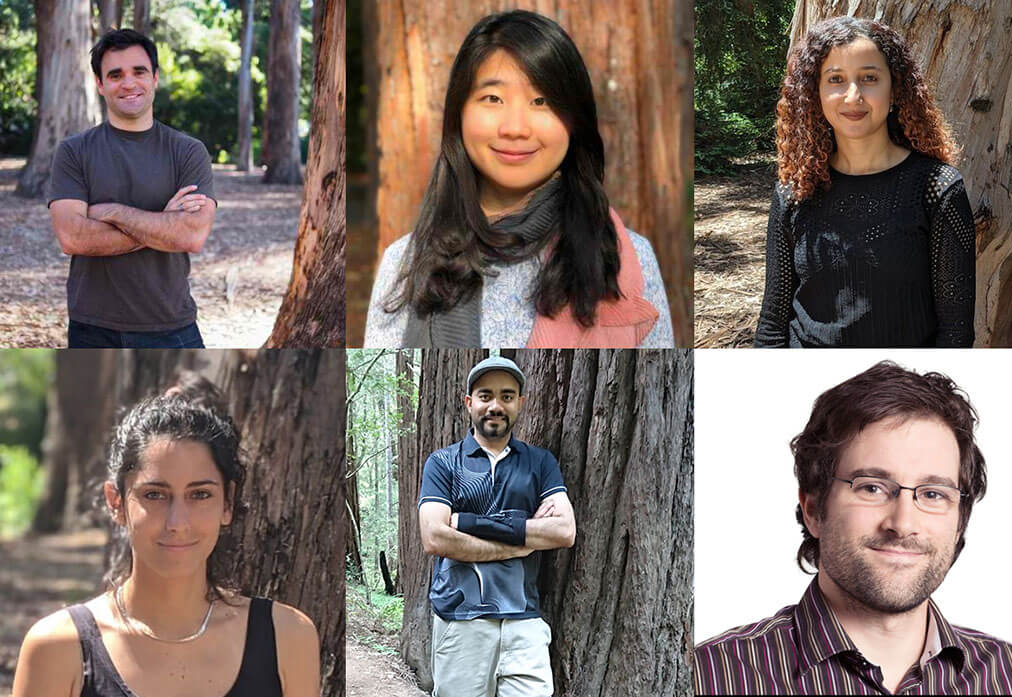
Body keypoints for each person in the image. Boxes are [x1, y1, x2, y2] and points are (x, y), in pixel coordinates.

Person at [693, 361, 1012, 695]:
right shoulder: (708, 677)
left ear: (960, 519)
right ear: (813, 508)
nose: (902, 524)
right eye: (871, 488)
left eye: (933, 494)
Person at [365, 10, 673, 348]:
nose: (514, 128)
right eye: (492, 99)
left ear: (574, 120)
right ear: (460, 114)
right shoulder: (405, 264)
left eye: (541, 101)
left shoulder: (626, 259)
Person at [12, 396, 320, 697]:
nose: (177, 523)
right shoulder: (57, 649)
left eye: (199, 495)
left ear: (228, 503)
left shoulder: (287, 638)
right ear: (116, 503)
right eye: (155, 495)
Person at [753, 16, 975, 348]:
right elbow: (772, 324)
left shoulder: (937, 188)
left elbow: (956, 333)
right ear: (816, 93)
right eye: (836, 79)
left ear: (895, 88)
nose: (853, 95)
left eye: (869, 78)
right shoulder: (794, 190)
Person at [47, 29, 216, 349]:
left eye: (138, 71)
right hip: (92, 328)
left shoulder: (188, 151)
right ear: (100, 84)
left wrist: (111, 212)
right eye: (115, 74)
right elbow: (72, 237)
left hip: (171, 326)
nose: (128, 83)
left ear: (155, 77)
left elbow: (190, 236)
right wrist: (163, 223)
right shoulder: (74, 151)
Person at [417, 356, 576, 696]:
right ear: (469, 402)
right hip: (461, 620)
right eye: (485, 395)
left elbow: (563, 531)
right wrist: (524, 539)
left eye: (506, 396)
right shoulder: (443, 463)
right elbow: (434, 536)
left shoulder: (540, 462)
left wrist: (469, 523)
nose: (495, 405)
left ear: (520, 402)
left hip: (524, 621)